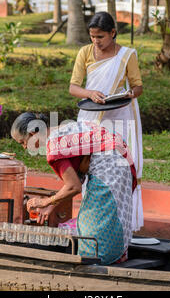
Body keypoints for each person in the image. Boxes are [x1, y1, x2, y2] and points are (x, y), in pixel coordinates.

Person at [10, 112, 137, 265]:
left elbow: (74, 186)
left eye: (23, 142)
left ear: (32, 133)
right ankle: (116, 255)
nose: (25, 147)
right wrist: (52, 205)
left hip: (108, 169)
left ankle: (97, 264)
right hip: (120, 161)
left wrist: (44, 202)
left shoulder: (54, 147)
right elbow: (80, 172)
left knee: (94, 223)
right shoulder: (63, 128)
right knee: (113, 214)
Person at [69, 11, 144, 232]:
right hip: (90, 114)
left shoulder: (127, 55)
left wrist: (128, 95)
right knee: (90, 165)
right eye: (93, 36)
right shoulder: (85, 52)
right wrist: (90, 93)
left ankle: (121, 223)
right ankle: (91, 222)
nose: (96, 41)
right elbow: (73, 87)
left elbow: (138, 87)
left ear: (113, 33)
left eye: (100, 37)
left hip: (119, 115)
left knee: (118, 166)